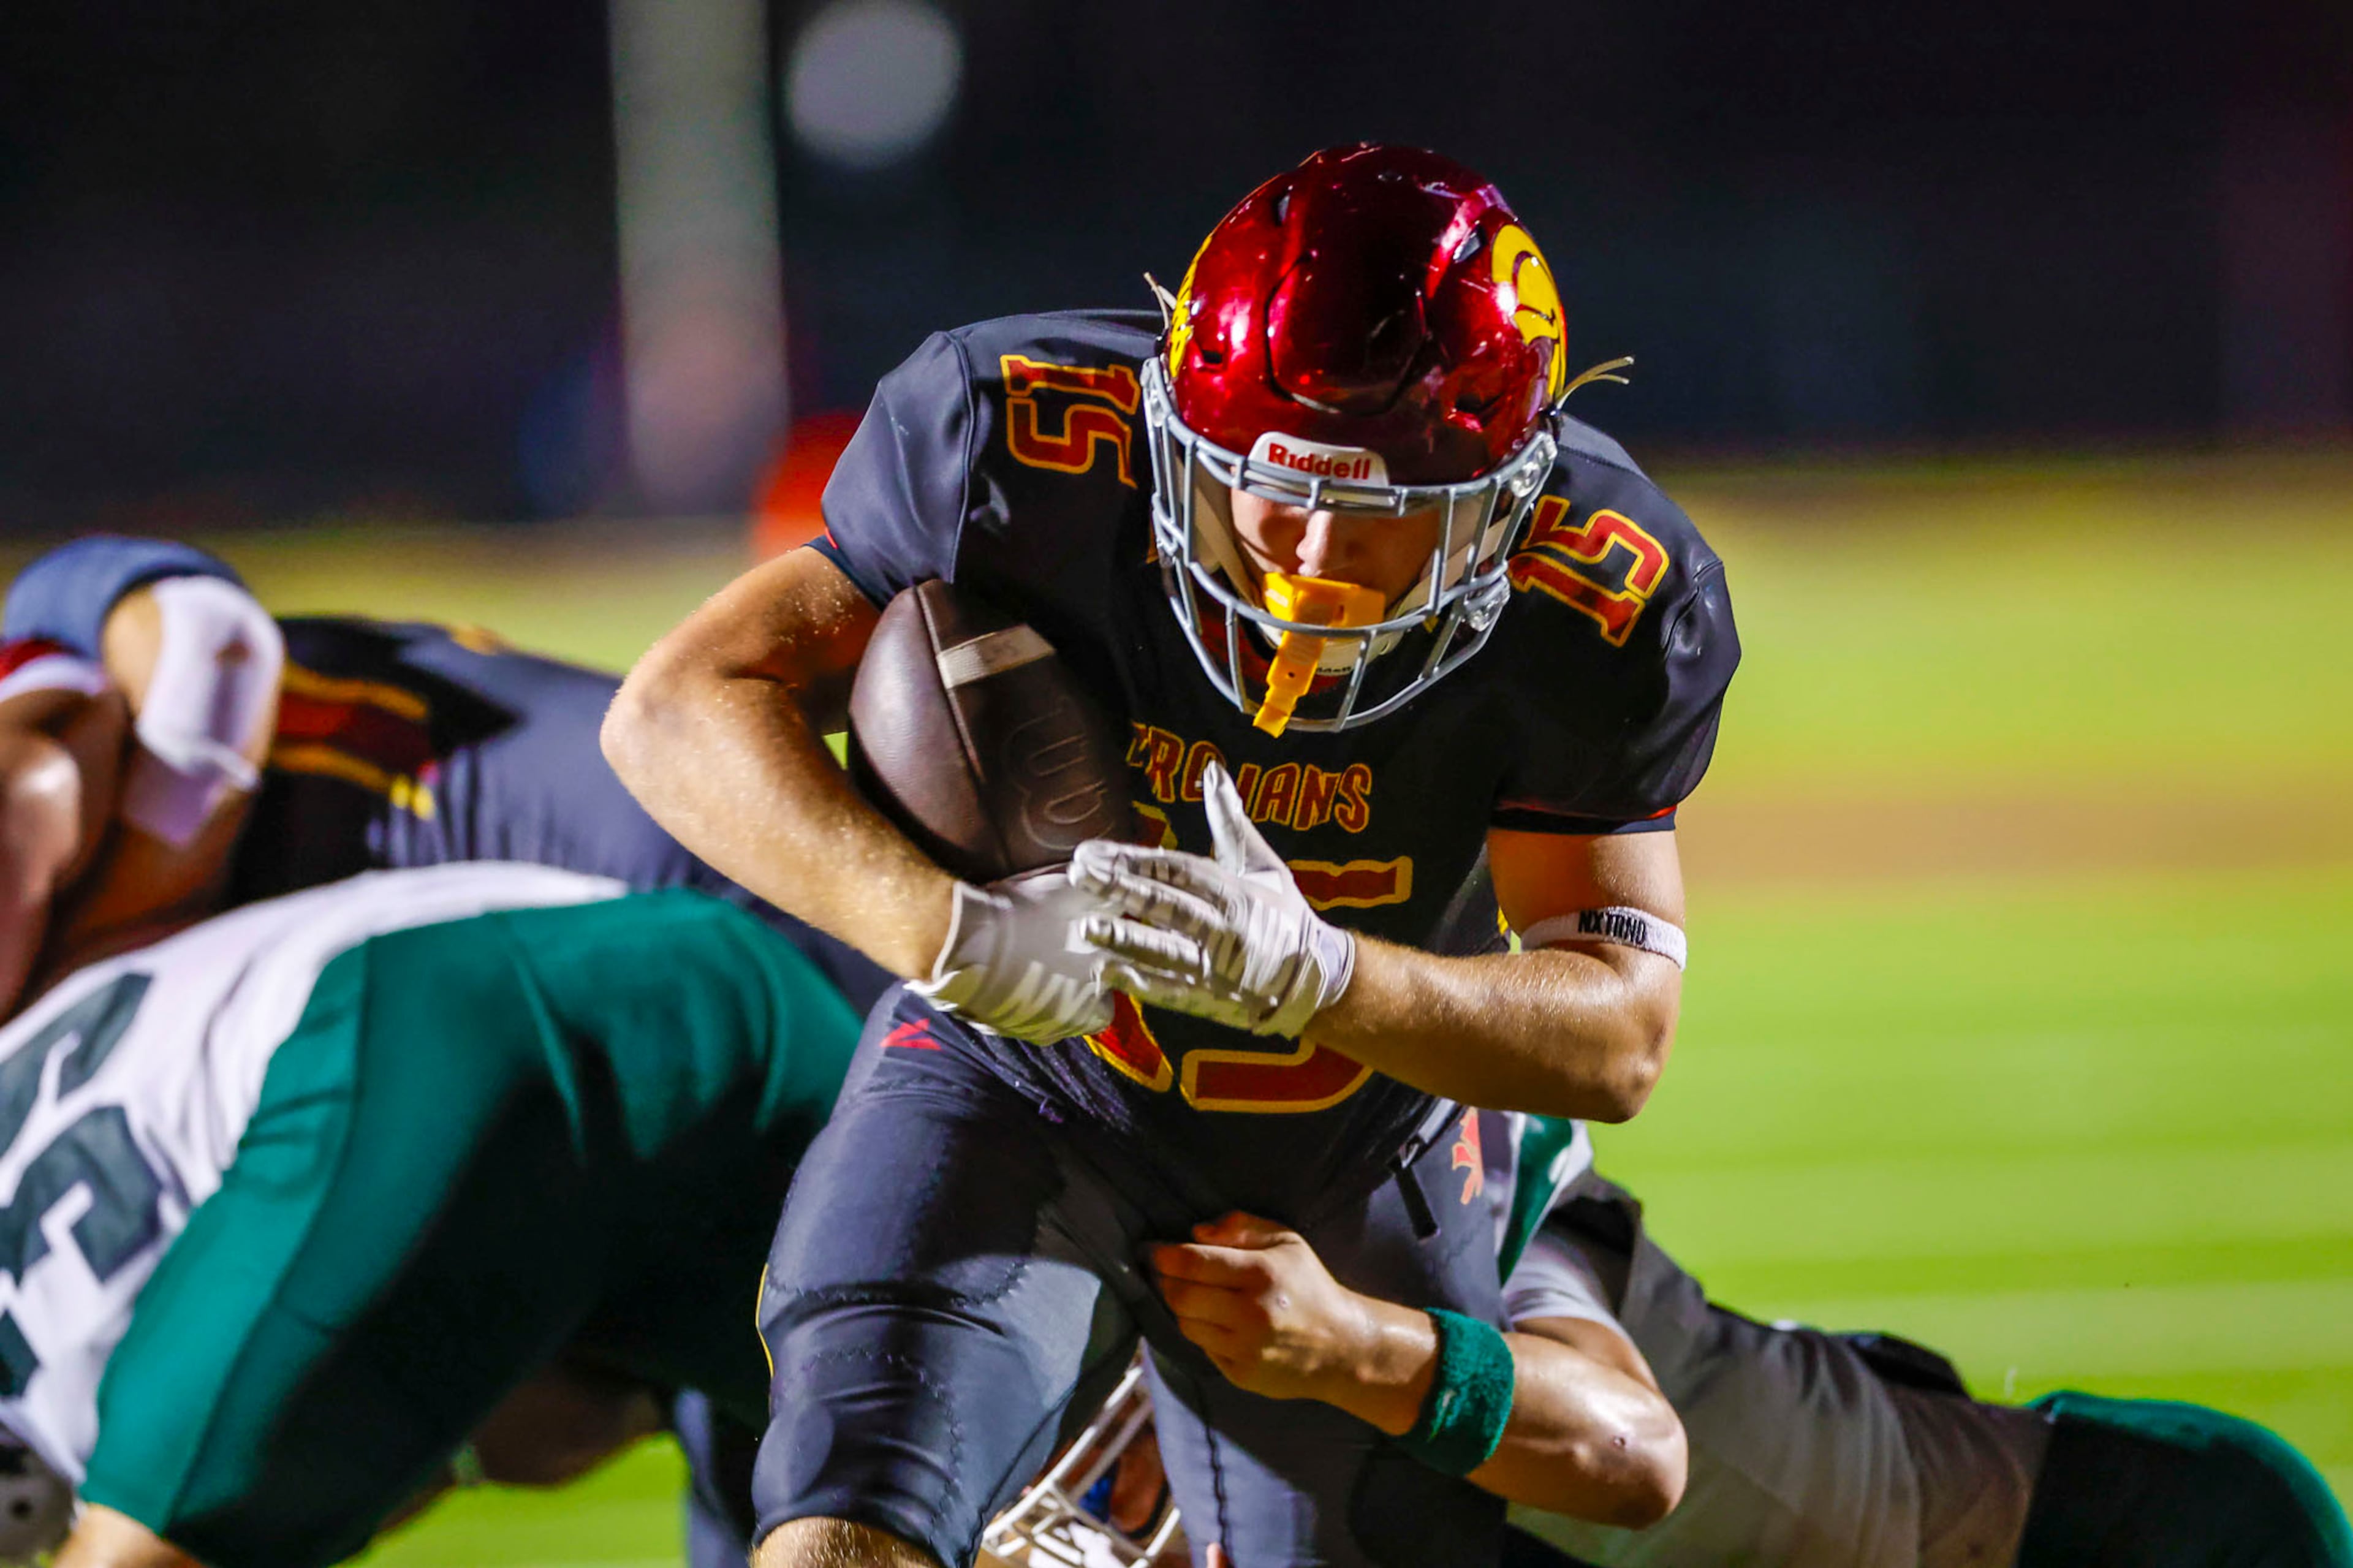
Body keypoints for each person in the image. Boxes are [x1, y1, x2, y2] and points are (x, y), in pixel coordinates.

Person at [604, 143, 1740, 1567]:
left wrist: (1318, 970)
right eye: (1271, 491)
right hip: (1014, 1079)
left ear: (1510, 498)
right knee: (844, 1537)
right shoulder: (1015, 436)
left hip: (1360, 1143)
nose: (1310, 558)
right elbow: (679, 705)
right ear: (1176, 430)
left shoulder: (1609, 583)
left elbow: (1620, 1040)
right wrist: (950, 932)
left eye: (1387, 518)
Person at [0, 864, 865, 1568]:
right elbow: (550, 1419)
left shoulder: (59, 1394)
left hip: (384, 1064)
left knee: (144, 1532)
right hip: (673, 965)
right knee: (942, 1477)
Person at [1132, 1112, 2353, 1568]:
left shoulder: (1396, 1143)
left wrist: (1353, 1346)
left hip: (1647, 1445)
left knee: (2236, 1525)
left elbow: (1628, 1446)